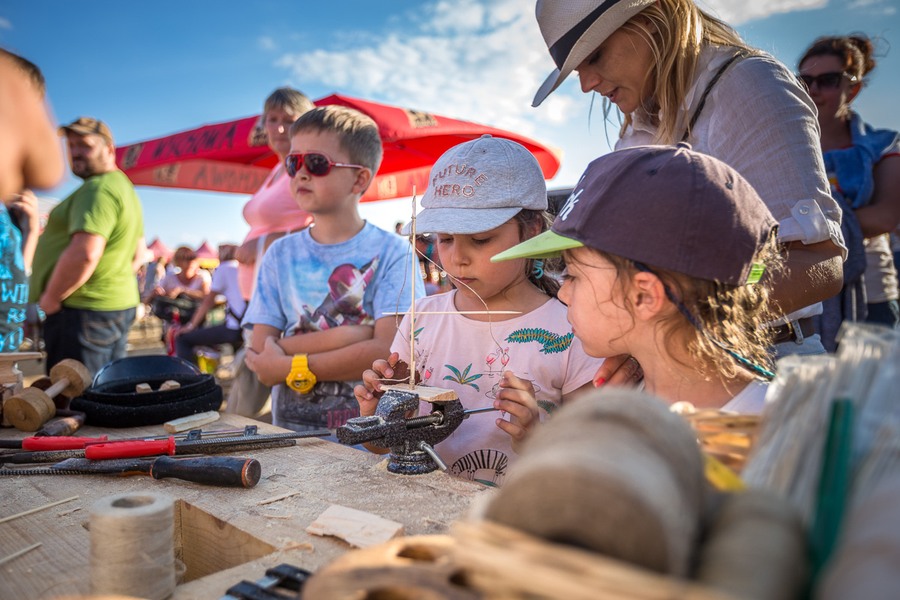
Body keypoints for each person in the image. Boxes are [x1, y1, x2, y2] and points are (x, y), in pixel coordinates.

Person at [531, 0, 845, 364]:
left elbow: (816, 265)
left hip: (764, 359)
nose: (586, 84)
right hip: (673, 371)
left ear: (651, 20)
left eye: (595, 56)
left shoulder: (750, 85)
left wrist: (671, 329)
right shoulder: (637, 124)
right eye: (576, 69)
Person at [354, 136, 600, 486]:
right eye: (445, 239)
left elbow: (591, 460)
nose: (457, 257)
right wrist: (378, 416)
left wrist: (535, 436)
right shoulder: (422, 317)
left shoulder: (572, 327)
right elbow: (382, 447)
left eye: (480, 239)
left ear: (530, 232)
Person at [494, 144, 782, 414]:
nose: (562, 293)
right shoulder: (627, 408)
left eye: (573, 276)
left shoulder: (771, 441)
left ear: (645, 296)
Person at [242, 105, 424, 432]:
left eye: (316, 163)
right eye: (293, 162)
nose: (300, 173)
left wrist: (287, 363)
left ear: (359, 178)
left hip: (371, 438)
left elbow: (388, 351)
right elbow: (258, 351)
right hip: (291, 434)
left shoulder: (394, 251)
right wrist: (351, 335)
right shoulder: (279, 253)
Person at [798, 35, 900, 341]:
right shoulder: (787, 147)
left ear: (852, 88)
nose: (813, 90)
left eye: (827, 80)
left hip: (872, 291)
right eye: (804, 80)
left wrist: (804, 227)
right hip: (806, 292)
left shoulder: (884, 144)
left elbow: (886, 216)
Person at [30, 117, 144, 375]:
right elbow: (139, 252)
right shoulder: (123, 187)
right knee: (104, 394)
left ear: (109, 149)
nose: (76, 153)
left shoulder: (98, 190)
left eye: (85, 145)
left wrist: (50, 298)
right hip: (109, 308)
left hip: (84, 312)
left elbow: (85, 253)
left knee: (75, 400)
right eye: (71, 146)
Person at [228, 87, 316, 418]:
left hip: (287, 294)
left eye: (288, 120)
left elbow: (322, 222)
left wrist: (261, 244)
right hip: (264, 294)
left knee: (254, 384)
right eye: (272, 119)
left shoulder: (303, 167)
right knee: (254, 380)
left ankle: (237, 448)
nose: (278, 128)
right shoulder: (279, 170)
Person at [0, 49, 65, 352]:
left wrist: (28, 234)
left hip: (6, 346)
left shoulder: (9, 213)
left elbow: (15, 273)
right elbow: (49, 169)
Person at [173, 243, 245, 364]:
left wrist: (191, 326)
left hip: (235, 328)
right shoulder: (243, 268)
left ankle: (192, 378)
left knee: (183, 339)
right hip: (249, 326)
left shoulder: (225, 268)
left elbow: (208, 301)